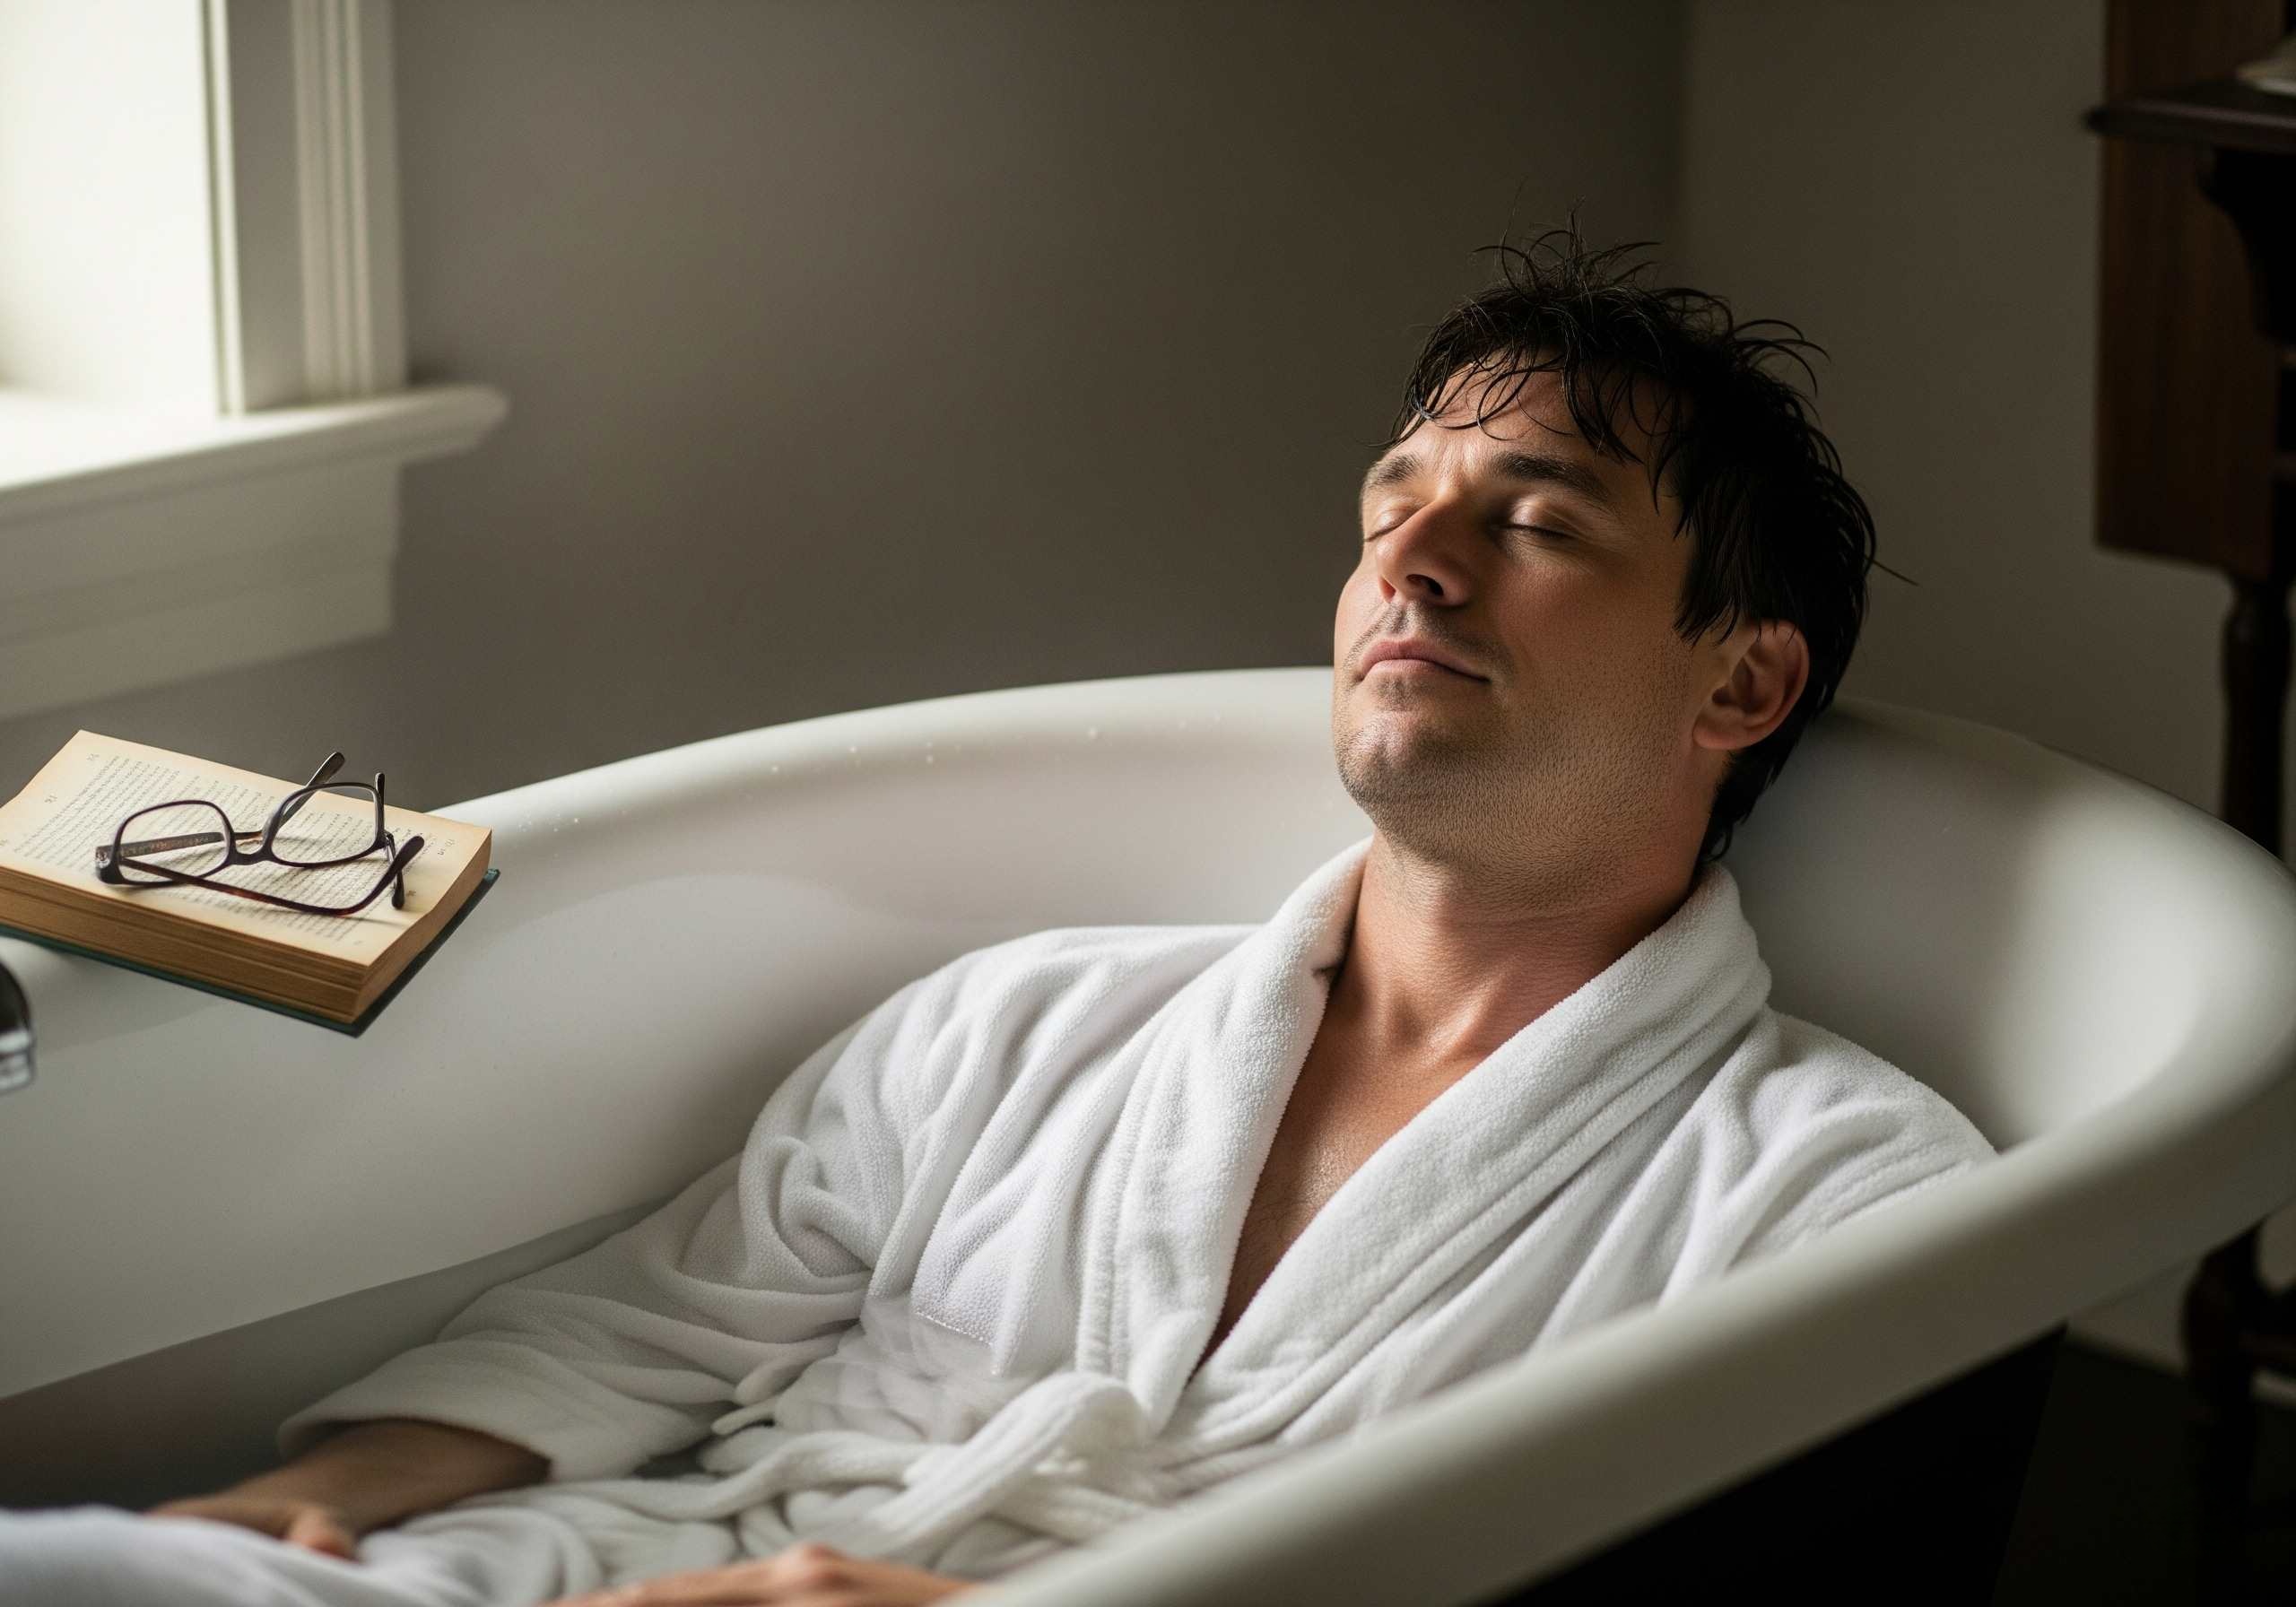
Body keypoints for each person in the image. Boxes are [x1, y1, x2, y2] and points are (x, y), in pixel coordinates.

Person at [0, 228, 1995, 1607]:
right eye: (1392, 500)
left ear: (1736, 685)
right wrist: (282, 1513)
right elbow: (625, 1338)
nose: (1415, 558)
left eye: (1534, 517)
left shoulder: (1836, 1198)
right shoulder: (1023, 1022)